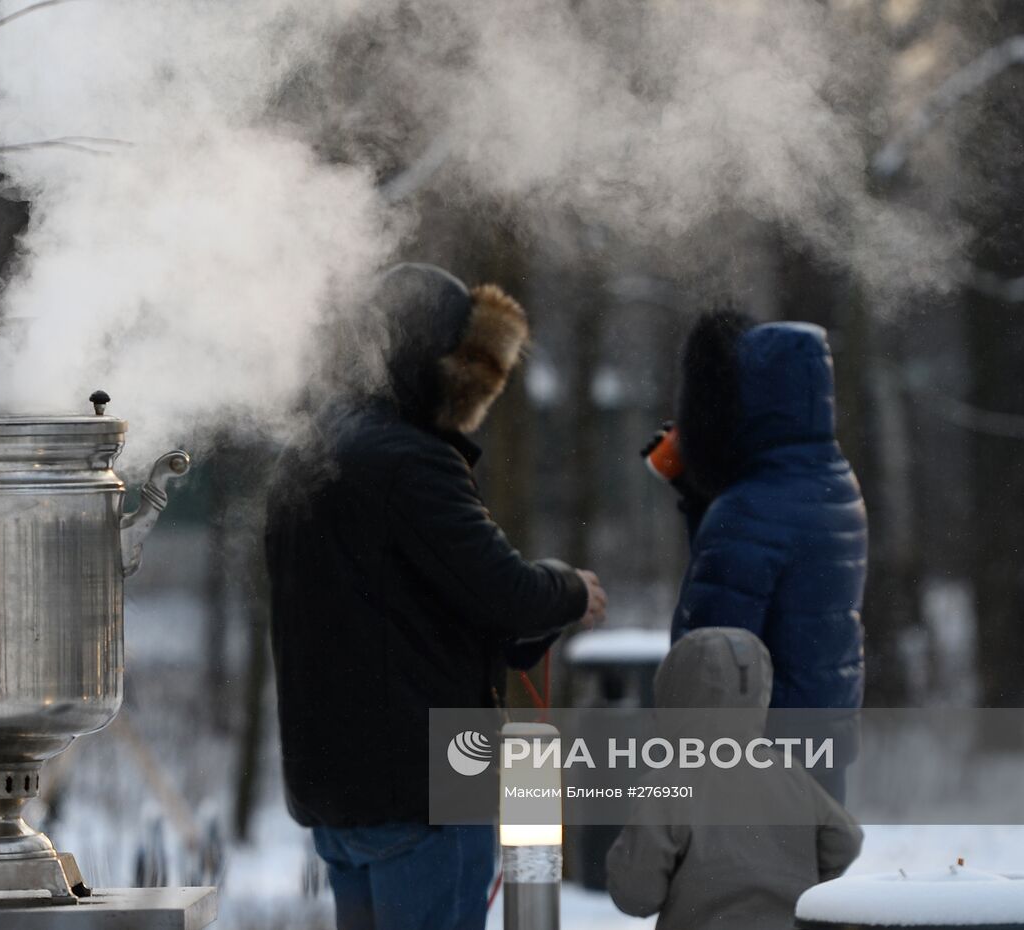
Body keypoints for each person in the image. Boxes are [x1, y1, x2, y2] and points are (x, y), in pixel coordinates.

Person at [265, 262, 608, 930]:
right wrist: (571, 590)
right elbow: (505, 591)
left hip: (337, 797)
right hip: (426, 793)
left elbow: (408, 610)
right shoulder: (413, 461)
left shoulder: (308, 453)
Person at [664, 311, 867, 800]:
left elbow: (710, 659)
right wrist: (700, 502)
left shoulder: (748, 509)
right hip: (823, 744)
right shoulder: (836, 483)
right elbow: (755, 586)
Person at [606, 627, 864, 929]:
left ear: (673, 694)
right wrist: (795, 881)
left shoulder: (669, 783)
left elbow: (636, 894)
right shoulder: (788, 773)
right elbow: (846, 840)